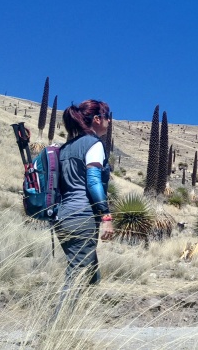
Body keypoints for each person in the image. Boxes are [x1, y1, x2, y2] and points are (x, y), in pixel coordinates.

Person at [53, 99, 114, 318]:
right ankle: (55, 330)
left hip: (62, 217)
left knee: (89, 273)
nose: (109, 121)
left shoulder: (65, 148)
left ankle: (74, 324)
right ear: (97, 119)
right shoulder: (93, 144)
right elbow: (93, 182)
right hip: (82, 216)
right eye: (108, 116)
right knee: (77, 275)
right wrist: (106, 216)